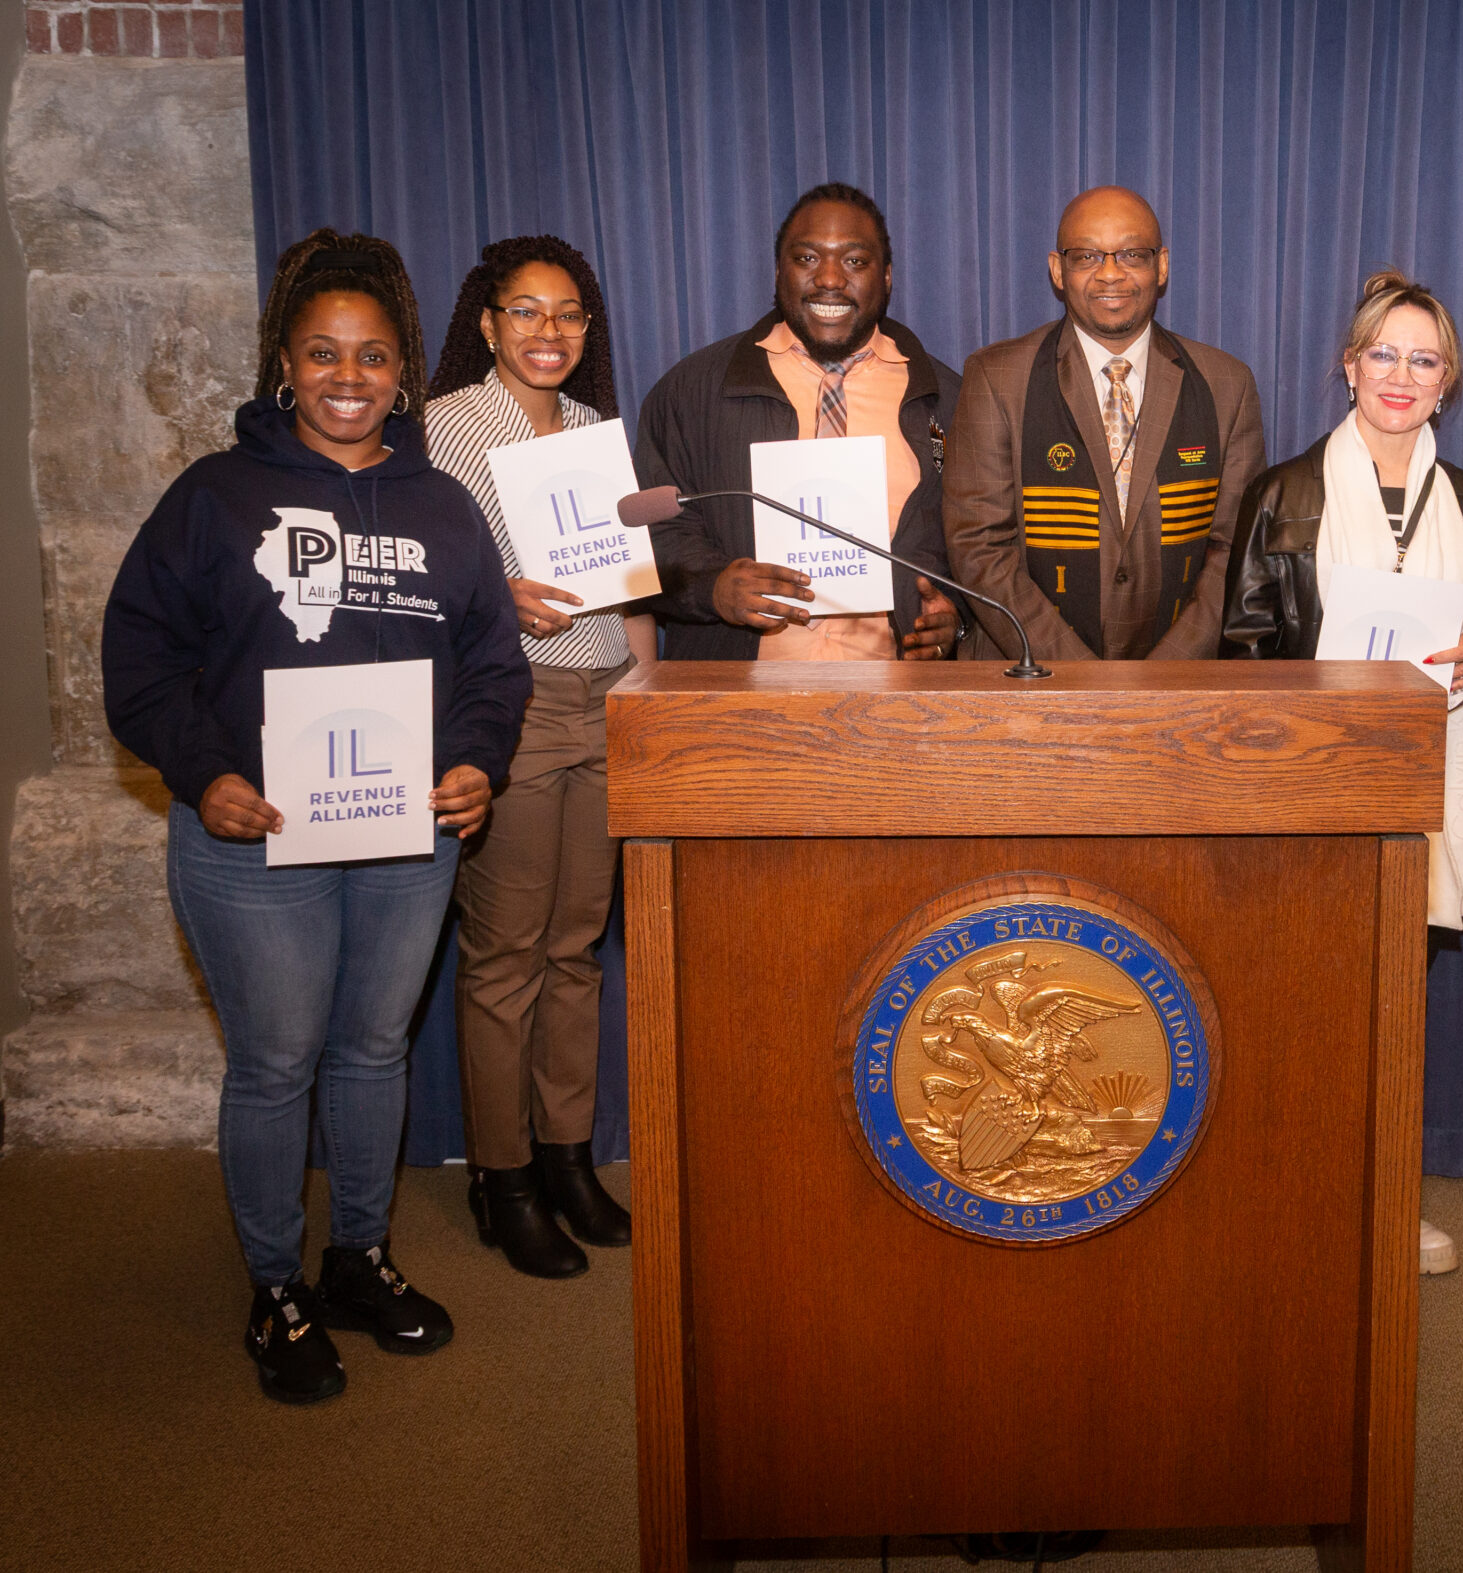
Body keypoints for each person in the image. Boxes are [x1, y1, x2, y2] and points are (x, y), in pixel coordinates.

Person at [101, 230, 530, 1404]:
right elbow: (137, 660)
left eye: (376, 356)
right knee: (279, 1060)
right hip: (257, 838)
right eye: (325, 353)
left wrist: (476, 763)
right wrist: (202, 773)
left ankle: (358, 1256)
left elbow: (495, 666)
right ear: (285, 365)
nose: (352, 376)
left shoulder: (443, 506)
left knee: (374, 1048)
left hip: (405, 838)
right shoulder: (213, 497)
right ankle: (276, 1286)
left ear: (402, 373)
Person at [1221, 268, 1463, 1276]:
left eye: (1423, 359)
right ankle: (1287, 1193)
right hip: (1309, 787)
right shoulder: (1286, 494)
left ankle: (1385, 1198)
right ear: (1348, 368)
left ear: (1448, 381)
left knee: (1395, 1005)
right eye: (1382, 353)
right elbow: (1243, 646)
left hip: (1432, 781)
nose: (1401, 374)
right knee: (1306, 1001)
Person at [423, 235, 635, 1279]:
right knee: (506, 953)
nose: (549, 333)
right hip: (515, 699)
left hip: (605, 696)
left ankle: (566, 1158)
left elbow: (627, 576)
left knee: (577, 946)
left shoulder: (596, 429)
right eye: (527, 312)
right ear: (487, 321)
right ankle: (499, 1178)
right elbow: (414, 573)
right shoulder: (445, 425)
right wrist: (489, 593)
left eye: (569, 315)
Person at [636, 183, 961, 661]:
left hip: (897, 705)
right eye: (807, 258)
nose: (829, 278)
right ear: (777, 272)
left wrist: (957, 620)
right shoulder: (690, 392)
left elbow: (980, 544)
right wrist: (713, 587)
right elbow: (650, 534)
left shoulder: (947, 399)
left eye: (854, 261)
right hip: (740, 707)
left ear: (887, 277)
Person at [943, 185, 1264, 660]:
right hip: (1031, 681)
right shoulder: (996, 377)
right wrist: (1078, 676)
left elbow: (1234, 550)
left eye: (1132, 254)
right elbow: (979, 547)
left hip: (1180, 687)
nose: (1111, 274)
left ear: (1162, 266)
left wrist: (1166, 674)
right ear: (1058, 270)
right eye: (1088, 256)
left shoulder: (1226, 384)